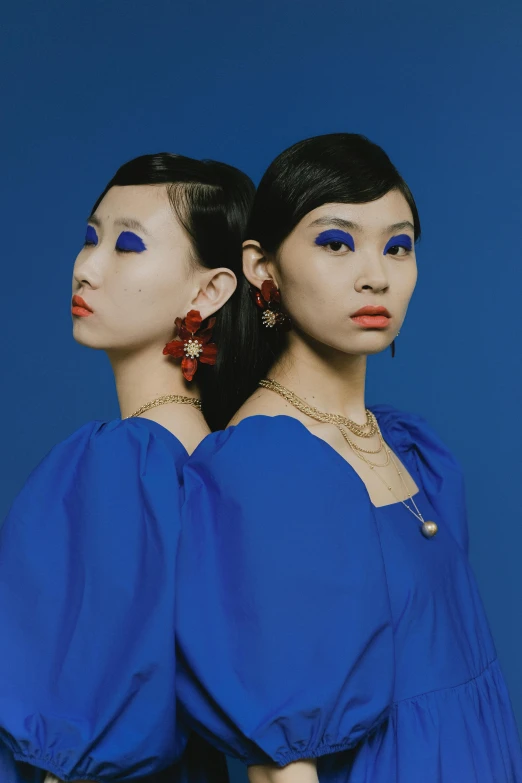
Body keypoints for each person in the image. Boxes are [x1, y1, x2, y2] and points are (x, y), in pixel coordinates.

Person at [175, 134, 522, 782]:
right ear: (262, 267)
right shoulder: (262, 468)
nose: (377, 273)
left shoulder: (417, 451)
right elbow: (284, 767)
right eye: (337, 242)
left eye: (398, 245)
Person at [0, 152, 254, 783]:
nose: (86, 268)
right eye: (90, 238)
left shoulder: (123, 462)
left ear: (210, 289)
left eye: (128, 245)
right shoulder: (223, 458)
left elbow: (75, 718)